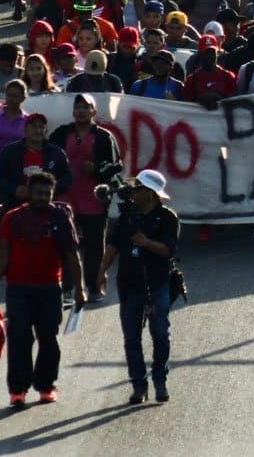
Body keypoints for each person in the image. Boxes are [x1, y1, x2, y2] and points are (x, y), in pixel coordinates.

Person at [0, 170, 85, 409]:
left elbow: (72, 256)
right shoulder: (12, 218)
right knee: (19, 340)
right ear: (28, 192)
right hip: (18, 289)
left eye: (47, 193)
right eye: (38, 193)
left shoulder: (60, 218)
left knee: (49, 340)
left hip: (50, 289)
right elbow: (2, 256)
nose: (43, 197)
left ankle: (46, 386)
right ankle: (18, 390)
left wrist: (80, 289)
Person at [99, 168, 182, 405]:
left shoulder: (167, 218)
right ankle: (138, 385)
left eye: (140, 188)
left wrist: (146, 242)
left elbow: (169, 250)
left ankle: (159, 379)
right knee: (131, 338)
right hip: (129, 284)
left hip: (157, 284)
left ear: (150, 193)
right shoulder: (126, 219)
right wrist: (101, 271)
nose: (134, 192)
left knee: (160, 334)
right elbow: (113, 246)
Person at [49, 94, 119, 300]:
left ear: (93, 112)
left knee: (95, 245)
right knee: (66, 243)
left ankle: (94, 286)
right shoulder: (61, 134)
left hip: (93, 198)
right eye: (77, 107)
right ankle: (68, 286)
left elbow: (115, 167)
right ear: (73, 111)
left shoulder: (104, 137)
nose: (80, 111)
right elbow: (49, 159)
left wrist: (96, 169)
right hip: (66, 197)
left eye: (85, 107)